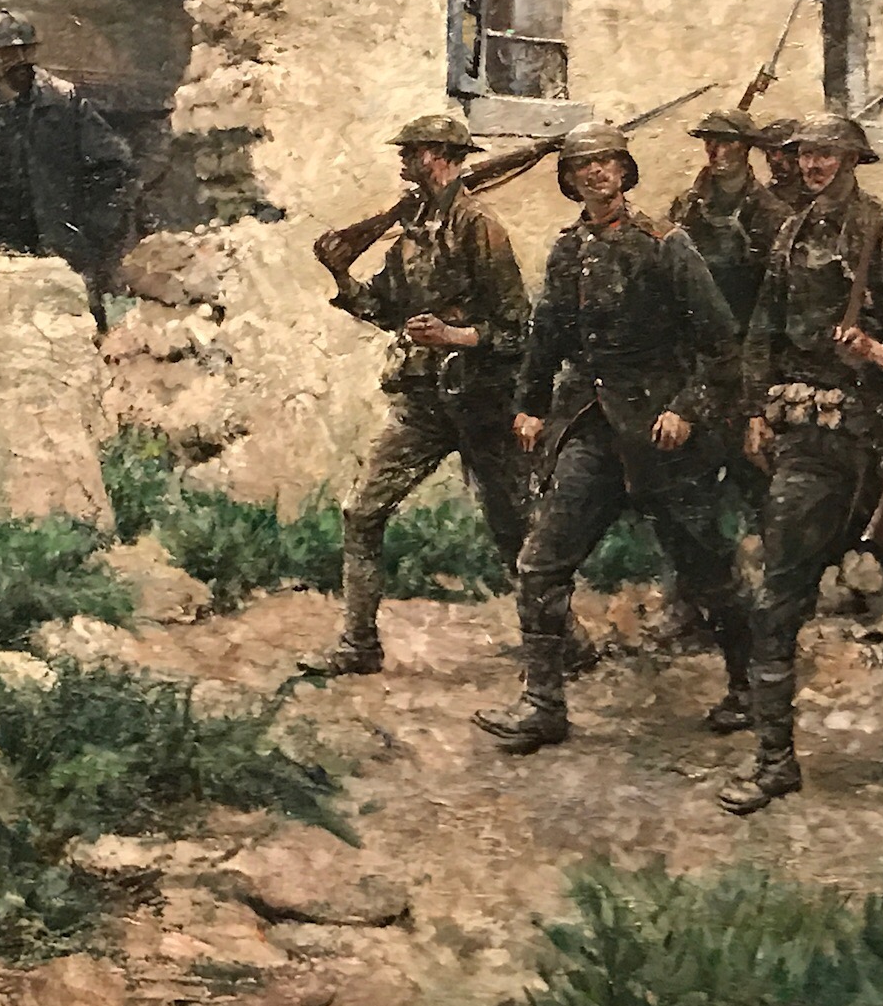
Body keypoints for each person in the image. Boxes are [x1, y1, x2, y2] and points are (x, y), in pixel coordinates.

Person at [473, 122, 752, 754]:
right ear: (570, 180)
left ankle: (751, 686)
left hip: (660, 434)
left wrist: (686, 409)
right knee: (541, 563)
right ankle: (543, 705)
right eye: (583, 166)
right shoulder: (568, 250)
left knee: (706, 568)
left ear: (625, 172)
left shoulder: (665, 245)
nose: (596, 173)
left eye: (606, 163)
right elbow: (547, 336)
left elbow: (720, 344)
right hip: (591, 430)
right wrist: (530, 406)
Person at [721, 112, 883, 815]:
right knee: (777, 601)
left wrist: (878, 353)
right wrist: (755, 411)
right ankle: (774, 760)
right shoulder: (790, 234)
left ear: (852, 159)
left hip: (882, 445)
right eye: (805, 155)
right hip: (811, 446)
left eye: (826, 154)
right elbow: (761, 332)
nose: (813, 165)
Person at [315, 113, 532, 676]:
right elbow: (385, 306)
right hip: (422, 400)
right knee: (362, 513)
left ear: (444, 156)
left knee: (516, 529)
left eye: (414, 151)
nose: (404, 159)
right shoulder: (412, 225)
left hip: (483, 400)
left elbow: (516, 328)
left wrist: (454, 336)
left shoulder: (480, 225)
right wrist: (341, 276)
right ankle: (358, 646)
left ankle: (562, 645)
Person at [0, 8, 136, 329]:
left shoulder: (63, 101)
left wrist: (91, 228)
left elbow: (113, 163)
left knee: (74, 326)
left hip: (57, 242)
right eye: (8, 53)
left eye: (26, 51)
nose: (20, 60)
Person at [669, 107, 793, 511]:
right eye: (710, 141)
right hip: (697, 357)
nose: (715, 150)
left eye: (725, 142)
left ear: (745, 149)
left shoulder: (772, 215)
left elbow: (779, 301)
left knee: (754, 469)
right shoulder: (687, 207)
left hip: (750, 353)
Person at [752, 116, 807, 208]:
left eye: (787, 152)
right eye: (772, 151)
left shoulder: (818, 196)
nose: (777, 159)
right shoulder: (762, 199)